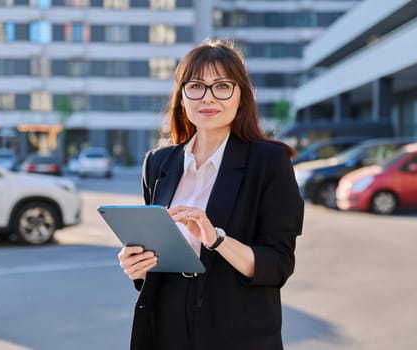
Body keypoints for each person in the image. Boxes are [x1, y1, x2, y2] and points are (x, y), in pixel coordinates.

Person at [118, 39, 304, 350]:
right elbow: (157, 254)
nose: (208, 97)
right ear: (182, 96)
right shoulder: (158, 163)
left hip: (237, 330)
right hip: (166, 326)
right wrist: (137, 264)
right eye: (196, 86)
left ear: (240, 94)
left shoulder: (269, 162)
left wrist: (216, 239)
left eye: (222, 86)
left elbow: (278, 265)